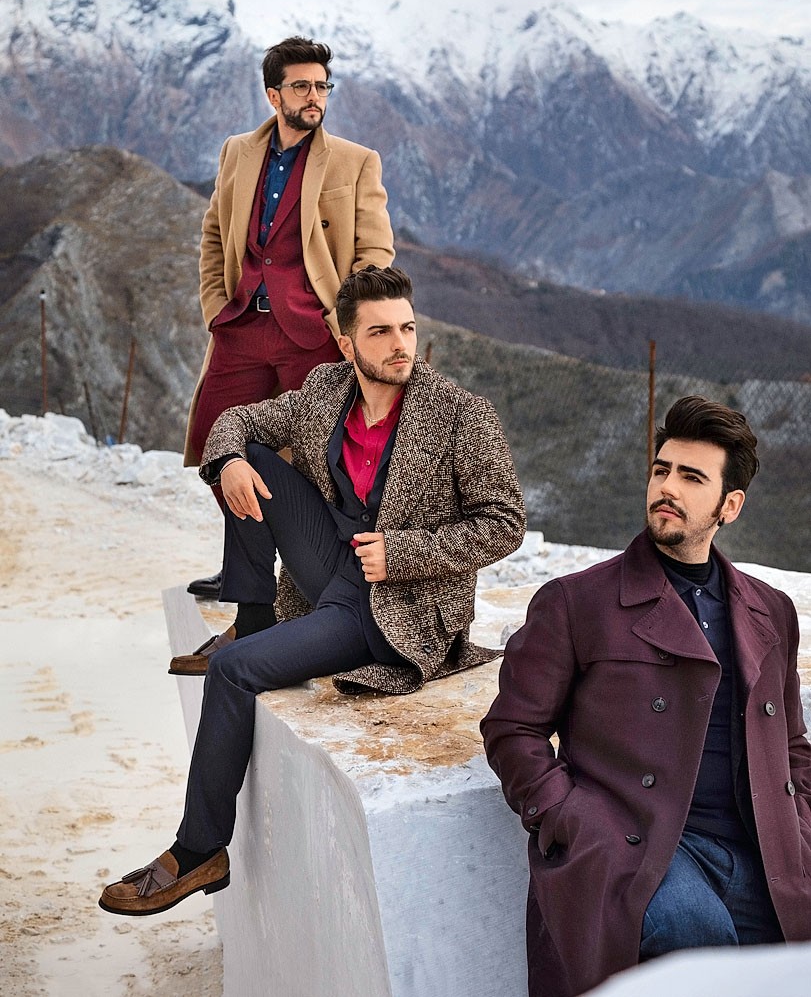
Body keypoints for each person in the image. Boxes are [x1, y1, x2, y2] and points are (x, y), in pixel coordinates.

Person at [99, 266, 526, 915]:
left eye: (407, 328)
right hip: (332, 562)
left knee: (233, 672)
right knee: (252, 461)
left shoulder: (461, 414)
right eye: (379, 332)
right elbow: (237, 417)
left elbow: (504, 521)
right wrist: (228, 460)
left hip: (394, 605)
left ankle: (198, 850)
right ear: (346, 342)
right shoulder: (325, 389)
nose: (400, 345)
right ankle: (255, 616)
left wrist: (403, 554)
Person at [481, 396, 811, 997]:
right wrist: (570, 819)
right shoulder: (576, 602)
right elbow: (513, 730)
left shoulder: (772, 611)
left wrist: (802, 827)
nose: (668, 487)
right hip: (636, 846)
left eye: (692, 478)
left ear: (730, 505)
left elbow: (790, 743)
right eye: (662, 470)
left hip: (757, 845)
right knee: (699, 937)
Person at [185, 35, 394, 598]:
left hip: (314, 334)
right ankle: (247, 567)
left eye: (322, 86)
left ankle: (301, 576)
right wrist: (215, 308)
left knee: (317, 461)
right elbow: (214, 233)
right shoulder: (237, 151)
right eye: (302, 86)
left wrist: (348, 323)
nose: (315, 97)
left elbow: (375, 253)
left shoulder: (355, 161)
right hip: (242, 325)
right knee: (216, 441)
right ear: (273, 95)